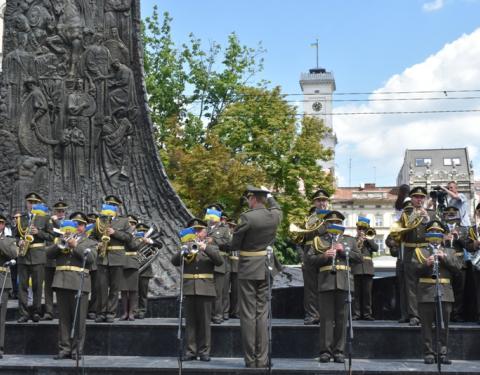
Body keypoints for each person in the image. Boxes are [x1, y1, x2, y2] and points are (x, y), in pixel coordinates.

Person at [231, 186, 282, 368]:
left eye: (249, 198)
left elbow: (234, 244)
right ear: (264, 199)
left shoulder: (247, 217)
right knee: (262, 314)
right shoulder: (274, 216)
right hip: (266, 268)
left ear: (252, 199)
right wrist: (271, 196)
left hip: (248, 268)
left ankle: (250, 359)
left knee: (247, 314)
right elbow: (277, 208)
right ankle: (262, 359)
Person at [306, 211, 362, 363]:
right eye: (330, 223)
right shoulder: (319, 240)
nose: (334, 225)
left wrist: (343, 252)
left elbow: (359, 258)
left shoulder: (349, 241)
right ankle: (325, 351)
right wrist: (324, 256)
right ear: (326, 225)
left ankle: (339, 351)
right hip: (326, 282)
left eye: (337, 223)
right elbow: (309, 260)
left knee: (342, 319)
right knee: (326, 319)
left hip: (344, 282)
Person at [171, 218, 223, 361]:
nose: (197, 233)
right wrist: (183, 250)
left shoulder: (212, 247)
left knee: (205, 323)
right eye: (195, 230)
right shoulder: (185, 246)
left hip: (206, 288)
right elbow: (174, 261)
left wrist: (204, 248)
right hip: (189, 288)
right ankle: (190, 351)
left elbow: (219, 261)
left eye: (200, 230)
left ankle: (204, 351)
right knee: (190, 322)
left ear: (206, 233)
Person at [47, 212, 97, 360]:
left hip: (79, 282)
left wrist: (75, 246)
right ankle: (64, 349)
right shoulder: (61, 238)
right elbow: (48, 254)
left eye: (80, 224)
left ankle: (77, 350)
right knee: (63, 319)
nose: (77, 227)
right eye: (75, 224)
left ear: (84, 227)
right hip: (61, 282)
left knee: (79, 319)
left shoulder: (89, 242)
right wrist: (60, 242)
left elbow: (92, 259)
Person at [413, 220, 460, 365]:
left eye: (438, 232)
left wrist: (444, 258)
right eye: (432, 232)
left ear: (442, 235)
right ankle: (428, 353)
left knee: (443, 325)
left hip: (445, 292)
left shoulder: (450, 251)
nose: (435, 235)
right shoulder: (419, 251)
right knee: (426, 326)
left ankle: (442, 353)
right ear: (427, 235)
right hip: (426, 292)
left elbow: (458, 270)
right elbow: (413, 272)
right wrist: (425, 264)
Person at [389, 186, 435, 326]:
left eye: (422, 197)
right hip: (410, 253)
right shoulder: (406, 212)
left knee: (428, 285)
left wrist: (427, 218)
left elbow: (437, 231)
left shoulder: (431, 214)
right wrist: (417, 215)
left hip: (426, 252)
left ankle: (428, 314)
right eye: (416, 197)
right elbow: (404, 225)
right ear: (412, 199)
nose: (419, 200)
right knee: (410, 287)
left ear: (425, 199)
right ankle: (414, 315)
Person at [15, 192, 54, 323]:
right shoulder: (21, 218)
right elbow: (15, 236)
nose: (32, 205)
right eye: (30, 202)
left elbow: (51, 236)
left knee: (37, 286)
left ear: (39, 204)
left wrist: (39, 232)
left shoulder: (45, 218)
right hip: (23, 255)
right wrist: (18, 242)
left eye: (34, 202)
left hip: (38, 256)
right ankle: (24, 313)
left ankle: (37, 312)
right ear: (26, 203)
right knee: (22, 287)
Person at [93, 195, 130, 323]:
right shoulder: (99, 221)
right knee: (101, 287)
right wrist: (95, 244)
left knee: (114, 288)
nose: (111, 207)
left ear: (117, 208)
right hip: (102, 257)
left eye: (113, 205)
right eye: (109, 204)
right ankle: (101, 312)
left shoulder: (124, 221)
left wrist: (115, 233)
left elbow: (129, 238)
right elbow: (91, 237)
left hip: (117, 258)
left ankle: (111, 313)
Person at [300, 189, 330, 325]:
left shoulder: (332, 217)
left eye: (324, 200)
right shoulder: (308, 219)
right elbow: (298, 240)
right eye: (319, 200)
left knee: (326, 285)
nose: (322, 203)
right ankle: (312, 315)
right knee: (310, 287)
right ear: (314, 202)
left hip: (326, 252)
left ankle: (326, 315)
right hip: (309, 253)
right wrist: (302, 257)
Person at [204, 204, 231, 324]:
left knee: (218, 291)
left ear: (218, 215)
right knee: (207, 291)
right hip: (206, 262)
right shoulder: (205, 228)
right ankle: (207, 314)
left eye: (214, 214)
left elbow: (228, 243)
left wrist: (214, 240)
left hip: (219, 263)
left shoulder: (225, 229)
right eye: (209, 213)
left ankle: (218, 315)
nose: (211, 216)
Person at [43, 201, 69, 321]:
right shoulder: (48, 221)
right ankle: (49, 311)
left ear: (65, 212)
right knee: (48, 286)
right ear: (54, 211)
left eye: (62, 211)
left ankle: (61, 310)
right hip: (49, 257)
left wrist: (56, 222)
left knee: (62, 286)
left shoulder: (68, 223)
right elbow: (46, 235)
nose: (60, 213)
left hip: (61, 258)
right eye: (58, 211)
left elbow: (64, 232)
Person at [442, 206, 469, 322]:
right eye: (448, 215)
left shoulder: (464, 229)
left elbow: (468, 245)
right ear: (445, 216)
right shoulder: (441, 229)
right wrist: (443, 239)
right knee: (445, 289)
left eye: (453, 215)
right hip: (446, 262)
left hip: (459, 263)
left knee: (459, 290)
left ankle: (457, 314)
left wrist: (458, 237)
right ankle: (446, 314)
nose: (451, 217)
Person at [352, 217, 378, 320]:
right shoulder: (353, 240)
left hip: (368, 268)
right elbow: (352, 253)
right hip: (356, 268)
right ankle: (356, 314)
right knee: (357, 294)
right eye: (359, 228)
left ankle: (367, 314)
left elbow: (376, 248)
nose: (361, 231)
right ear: (357, 229)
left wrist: (368, 239)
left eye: (364, 229)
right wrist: (358, 240)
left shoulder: (370, 238)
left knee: (367, 294)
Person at [0, 214, 18, 359]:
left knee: (1, 318)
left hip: (2, 280)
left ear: (3, 225)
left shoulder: (9, 240)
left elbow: (14, 254)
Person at [120, 215, 141, 321]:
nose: (130, 226)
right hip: (122, 262)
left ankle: (131, 313)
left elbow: (134, 246)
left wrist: (129, 236)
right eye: (128, 224)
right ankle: (124, 313)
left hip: (133, 263)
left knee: (133, 290)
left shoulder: (138, 236)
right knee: (123, 290)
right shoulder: (122, 235)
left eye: (132, 224)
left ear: (135, 226)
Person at [135, 222, 156, 319]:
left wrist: (150, 242)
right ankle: (134, 310)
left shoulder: (149, 241)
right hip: (134, 270)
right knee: (134, 292)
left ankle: (142, 310)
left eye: (143, 231)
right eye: (139, 231)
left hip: (145, 271)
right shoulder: (133, 240)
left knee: (143, 293)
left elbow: (159, 246)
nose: (141, 232)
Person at [465, 203, 480, 324]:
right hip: (477, 263)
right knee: (478, 290)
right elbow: (468, 246)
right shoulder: (472, 229)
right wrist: (474, 244)